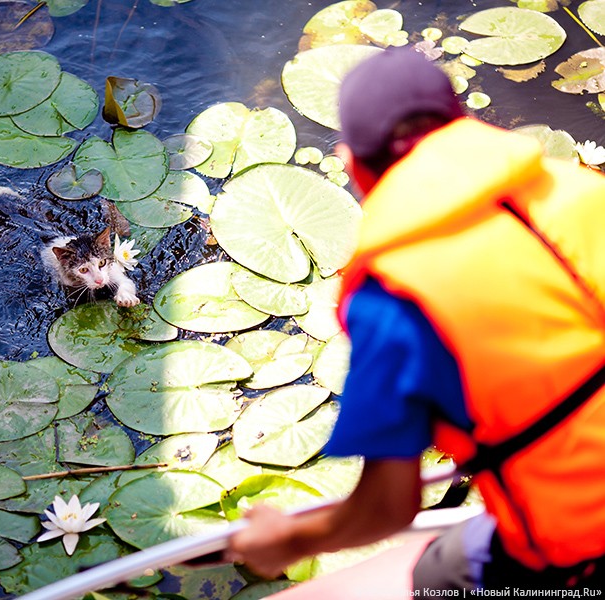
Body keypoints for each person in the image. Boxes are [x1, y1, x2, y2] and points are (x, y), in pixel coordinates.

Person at [227, 48, 605, 592]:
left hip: (580, 551)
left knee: (436, 576)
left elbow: (387, 507)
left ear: (352, 165)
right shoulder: (583, 191)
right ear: (465, 124)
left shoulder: (394, 297)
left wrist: (289, 541)